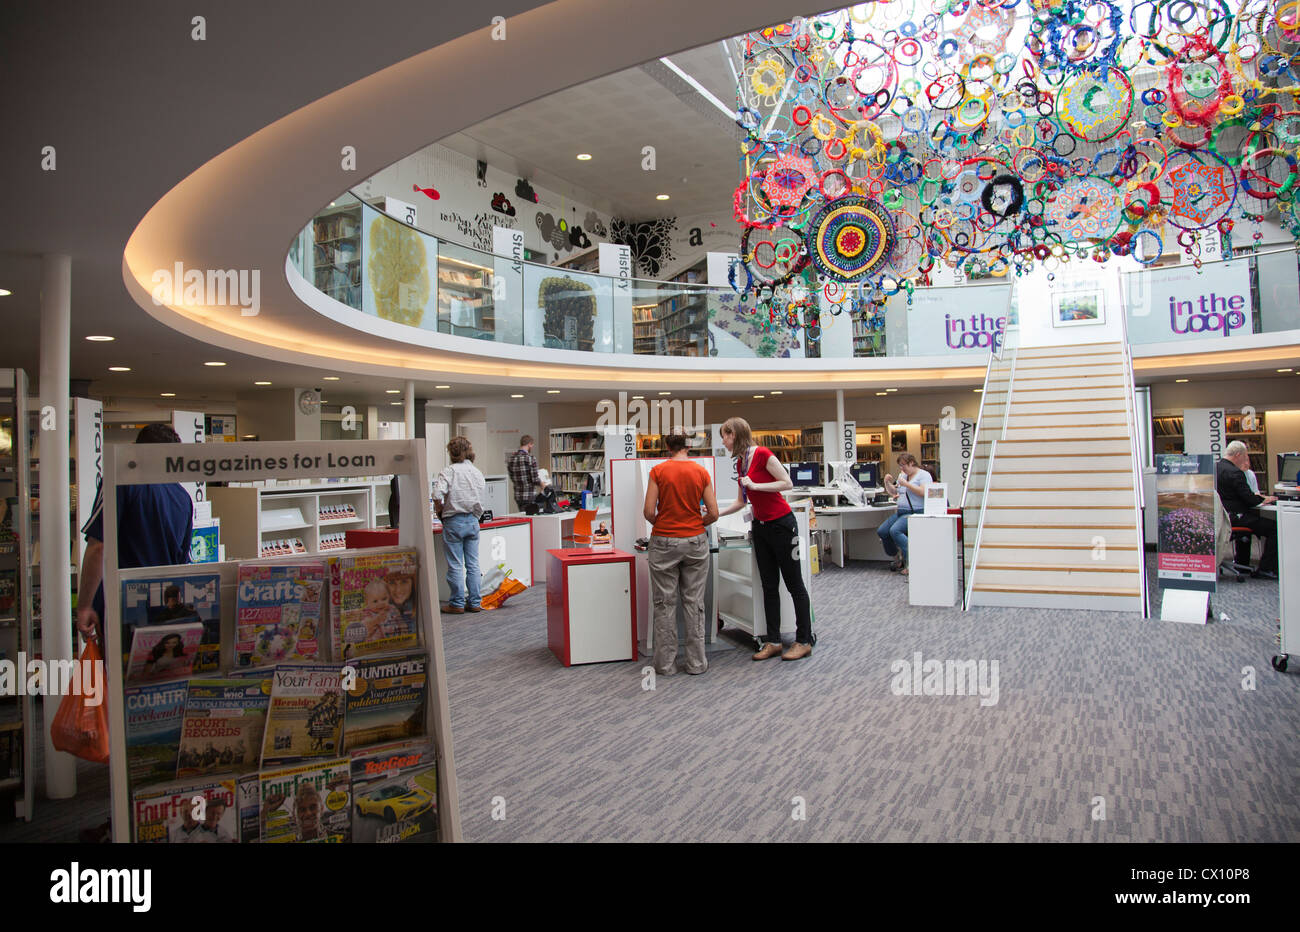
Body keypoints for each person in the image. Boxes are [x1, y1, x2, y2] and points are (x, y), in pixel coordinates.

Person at [77, 423, 192, 844]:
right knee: (156, 721)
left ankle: (122, 824)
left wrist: (85, 604)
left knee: (124, 722)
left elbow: (98, 547)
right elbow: (181, 566)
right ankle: (148, 817)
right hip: (164, 627)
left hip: (122, 620)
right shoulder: (181, 496)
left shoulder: (121, 483)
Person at [717, 417, 815, 661]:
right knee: (768, 585)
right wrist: (715, 515)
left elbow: (787, 483)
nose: (723, 440)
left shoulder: (762, 454)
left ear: (736, 435)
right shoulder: (740, 463)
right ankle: (773, 641)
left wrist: (757, 486)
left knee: (794, 584)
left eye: (725, 435)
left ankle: (803, 640)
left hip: (782, 525)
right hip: (760, 528)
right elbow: (742, 501)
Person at [643, 432, 719, 676]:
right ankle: (696, 663)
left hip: (664, 541)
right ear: (688, 446)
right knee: (694, 601)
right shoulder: (701, 472)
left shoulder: (658, 472)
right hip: (695, 541)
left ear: (667, 446)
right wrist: (698, 521)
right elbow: (714, 514)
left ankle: (665, 665)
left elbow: (648, 511)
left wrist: (662, 522)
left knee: (664, 602)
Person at [435, 436, 486, 613]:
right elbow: (481, 497)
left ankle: (456, 603)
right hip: (472, 520)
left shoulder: (449, 471)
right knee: (473, 564)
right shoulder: (477, 472)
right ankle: (475, 602)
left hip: (454, 521)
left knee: (456, 564)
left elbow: (437, 494)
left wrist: (439, 510)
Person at [1217, 440, 1278, 579]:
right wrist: (1264, 499)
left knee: (1254, 521)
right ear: (1238, 455)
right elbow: (1249, 499)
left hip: (1222, 517)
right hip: (1236, 518)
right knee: (1275, 528)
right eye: (1245, 457)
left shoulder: (1215, 468)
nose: (1245, 460)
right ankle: (1266, 569)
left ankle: (1242, 563)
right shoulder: (1235, 472)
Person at [879, 453, 932, 576]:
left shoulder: (923, 475)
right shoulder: (903, 475)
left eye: (903, 465)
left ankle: (913, 561)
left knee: (895, 531)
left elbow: (924, 492)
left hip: (915, 512)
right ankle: (896, 557)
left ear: (911, 463)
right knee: (882, 531)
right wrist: (887, 483)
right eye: (900, 466)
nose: (901, 468)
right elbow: (894, 491)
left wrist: (907, 484)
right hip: (901, 512)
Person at [506, 435, 541, 514]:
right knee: (531, 518)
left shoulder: (511, 458)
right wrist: (543, 484)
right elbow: (535, 479)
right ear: (529, 444)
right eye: (532, 445)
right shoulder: (530, 458)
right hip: (529, 495)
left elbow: (512, 476)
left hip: (518, 496)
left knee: (523, 517)